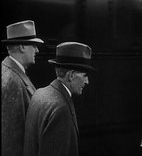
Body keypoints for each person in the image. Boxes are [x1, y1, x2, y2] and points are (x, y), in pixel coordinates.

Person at [23, 42, 95, 156]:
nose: (87, 82)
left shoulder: (39, 93)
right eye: (85, 75)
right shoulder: (61, 108)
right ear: (71, 75)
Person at [1, 20, 44, 156]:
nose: (37, 50)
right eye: (34, 45)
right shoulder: (12, 81)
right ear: (22, 46)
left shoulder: (11, 73)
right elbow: (12, 139)